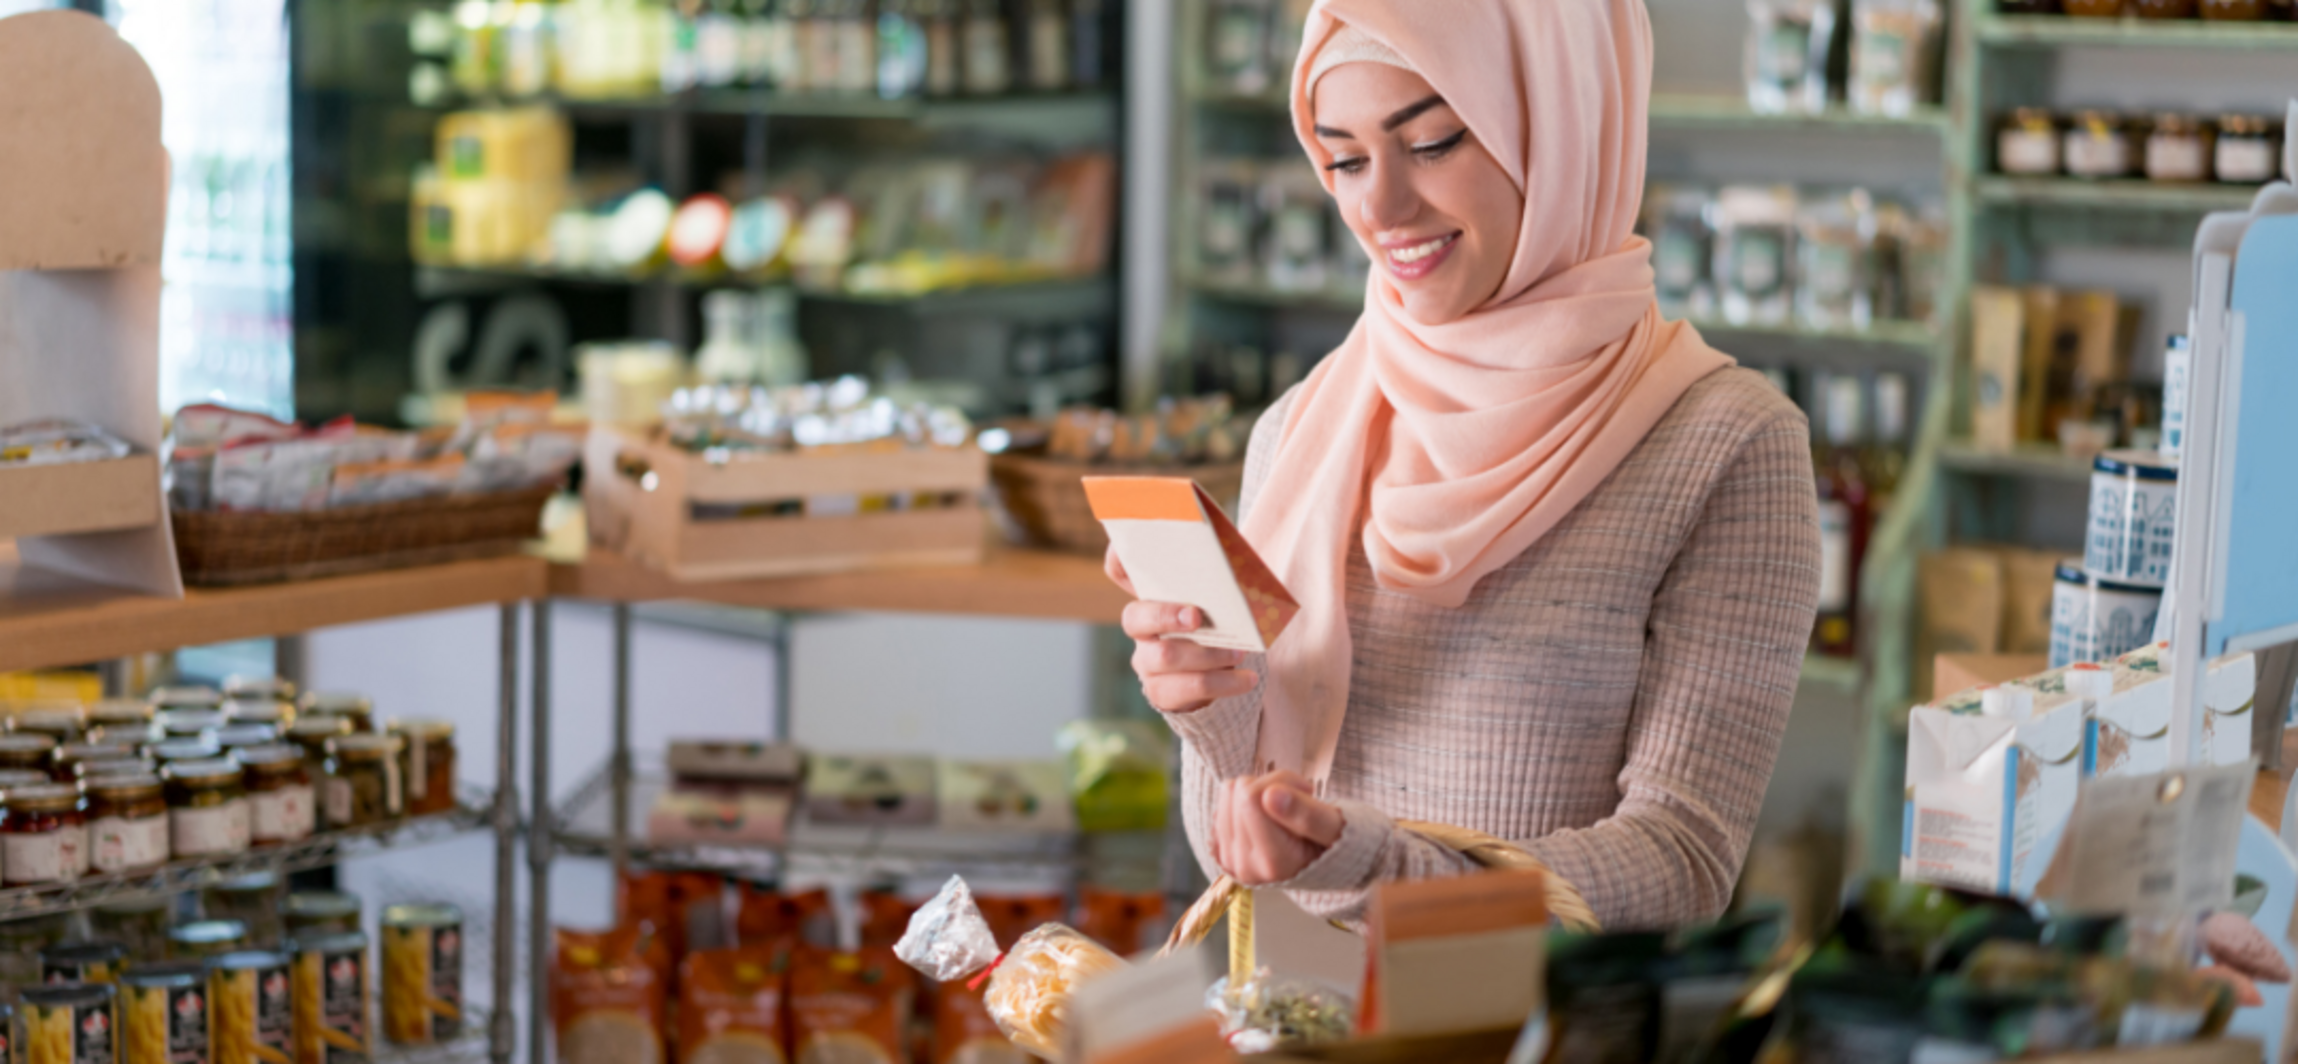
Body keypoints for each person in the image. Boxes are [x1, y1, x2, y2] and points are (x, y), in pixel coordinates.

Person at [1109, 0, 1822, 930]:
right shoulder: (1299, 430)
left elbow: (1682, 865)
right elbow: (1231, 852)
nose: (1379, 207)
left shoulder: (1726, 446)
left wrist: (1385, 867)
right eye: (1346, 159)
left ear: (1565, 127)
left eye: (1436, 142)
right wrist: (1212, 711)